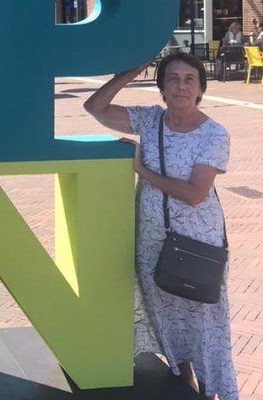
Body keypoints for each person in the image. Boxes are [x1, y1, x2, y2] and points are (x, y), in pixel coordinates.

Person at [83, 53, 238, 400]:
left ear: (201, 89)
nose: (181, 86)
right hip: (153, 239)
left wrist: (143, 171)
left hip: (198, 244)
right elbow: (95, 107)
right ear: (162, 88)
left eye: (189, 79)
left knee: (203, 324)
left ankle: (212, 393)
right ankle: (185, 386)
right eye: (173, 79)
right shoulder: (150, 120)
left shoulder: (214, 134)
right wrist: (131, 71)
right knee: (166, 319)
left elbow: (195, 193)